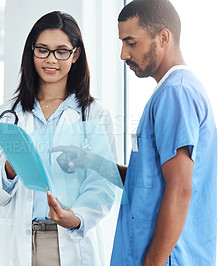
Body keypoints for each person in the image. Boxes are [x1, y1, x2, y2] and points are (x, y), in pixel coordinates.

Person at [0, 11, 118, 266]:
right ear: (31, 52)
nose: (51, 59)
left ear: (75, 55)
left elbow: (103, 185)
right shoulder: (8, 115)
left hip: (71, 240)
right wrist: (10, 169)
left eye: (61, 51)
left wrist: (74, 218)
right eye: (42, 50)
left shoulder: (94, 115)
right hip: (18, 241)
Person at [110, 0, 217, 265]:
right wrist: (94, 165)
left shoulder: (175, 93)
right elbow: (148, 182)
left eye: (131, 42)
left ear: (163, 37)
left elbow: (180, 188)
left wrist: (152, 263)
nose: (123, 54)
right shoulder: (170, 93)